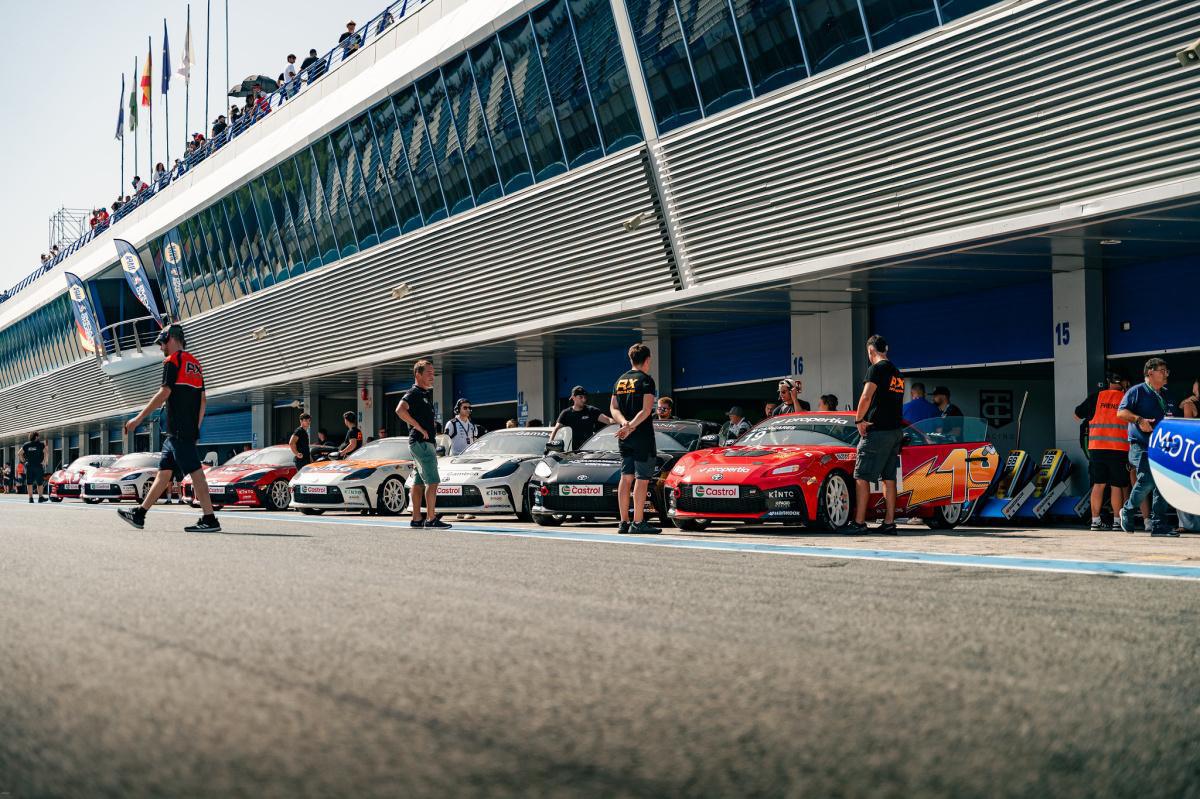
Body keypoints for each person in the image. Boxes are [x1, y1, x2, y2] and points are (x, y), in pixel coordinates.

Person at [117, 324, 221, 532]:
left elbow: (164, 393)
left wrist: (138, 419)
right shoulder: (195, 364)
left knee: (196, 473)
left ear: (171, 339)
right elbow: (203, 400)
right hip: (178, 432)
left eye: (162, 343)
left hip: (179, 431)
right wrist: (195, 428)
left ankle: (210, 519)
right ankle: (140, 514)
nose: (161, 347)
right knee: (163, 474)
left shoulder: (173, 361)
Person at [847, 335, 906, 535]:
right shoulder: (897, 372)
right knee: (889, 478)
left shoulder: (876, 369)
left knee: (861, 476)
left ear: (871, 350)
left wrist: (858, 420)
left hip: (878, 431)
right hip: (895, 431)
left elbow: (866, 396)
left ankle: (859, 522)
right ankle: (889, 523)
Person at [1117, 358, 1176, 536]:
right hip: (1141, 445)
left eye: (1167, 371)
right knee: (1148, 479)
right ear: (1150, 373)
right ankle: (1127, 510)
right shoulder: (1137, 391)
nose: (1166, 374)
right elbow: (1121, 412)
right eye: (1162, 371)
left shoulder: (1166, 395)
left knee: (1163, 484)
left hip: (1163, 447)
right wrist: (1139, 420)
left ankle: (1159, 525)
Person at [610, 343, 659, 535]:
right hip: (642, 437)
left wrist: (624, 424)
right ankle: (638, 522)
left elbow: (613, 408)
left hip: (624, 436)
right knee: (642, 478)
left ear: (631, 359)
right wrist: (631, 426)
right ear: (647, 360)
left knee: (626, 477)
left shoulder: (620, 381)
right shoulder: (646, 380)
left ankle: (623, 522)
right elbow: (646, 410)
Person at [396, 359, 451, 529]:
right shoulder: (414, 393)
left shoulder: (423, 394)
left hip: (421, 443)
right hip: (422, 443)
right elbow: (399, 410)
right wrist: (418, 427)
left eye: (433, 373)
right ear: (418, 374)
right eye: (428, 373)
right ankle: (431, 518)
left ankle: (417, 518)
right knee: (432, 481)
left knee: (418, 482)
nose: (432, 376)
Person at [1075, 373, 1131, 531]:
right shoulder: (1127, 398)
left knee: (1098, 485)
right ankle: (1117, 522)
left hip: (1097, 448)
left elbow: (1077, 415)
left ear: (1108, 381)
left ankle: (1095, 521)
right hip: (1119, 449)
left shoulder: (1096, 397)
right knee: (1116, 486)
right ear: (1124, 383)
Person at [550, 386, 615, 450]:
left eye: (585, 397)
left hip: (589, 451)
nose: (584, 400)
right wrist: (549, 445)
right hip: (571, 452)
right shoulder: (566, 413)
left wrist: (620, 424)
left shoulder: (592, 411)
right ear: (573, 397)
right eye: (581, 397)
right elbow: (556, 429)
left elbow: (608, 420)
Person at [20, 431, 47, 504]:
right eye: (38, 436)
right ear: (36, 437)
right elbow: (46, 452)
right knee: (39, 482)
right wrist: (44, 462)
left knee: (29, 482)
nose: (39, 437)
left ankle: (30, 499)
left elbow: (19, 453)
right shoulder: (40, 444)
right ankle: (40, 498)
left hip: (29, 466)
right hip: (38, 465)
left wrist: (23, 461)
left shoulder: (26, 445)